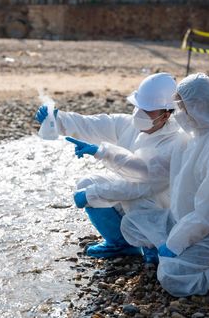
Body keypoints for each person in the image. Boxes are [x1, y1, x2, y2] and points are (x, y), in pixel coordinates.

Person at [120, 73, 209, 297]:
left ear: (199, 106)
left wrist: (176, 242)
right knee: (132, 223)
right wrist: (103, 153)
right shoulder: (192, 136)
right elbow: (154, 168)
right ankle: (182, 255)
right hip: (185, 219)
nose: (178, 112)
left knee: (170, 276)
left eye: (182, 106)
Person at [34, 73, 187, 263]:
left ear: (166, 114)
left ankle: (153, 245)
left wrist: (93, 192)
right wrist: (58, 119)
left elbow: (140, 186)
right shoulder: (128, 125)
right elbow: (92, 125)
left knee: (135, 201)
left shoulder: (174, 142)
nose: (139, 114)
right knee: (87, 183)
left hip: (157, 204)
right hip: (133, 193)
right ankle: (120, 244)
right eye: (138, 106)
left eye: (147, 111)